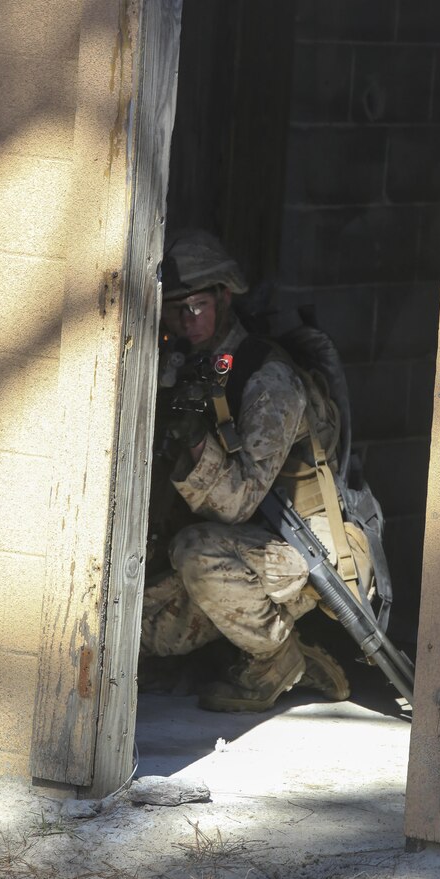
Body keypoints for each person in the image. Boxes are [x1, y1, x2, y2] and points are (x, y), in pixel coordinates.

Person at [140, 229, 371, 712]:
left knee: (195, 553)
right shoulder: (191, 365)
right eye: (175, 309)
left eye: (198, 306)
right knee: (138, 632)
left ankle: (274, 655)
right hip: (237, 547)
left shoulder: (268, 378)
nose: (186, 320)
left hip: (300, 552)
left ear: (225, 297)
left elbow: (238, 502)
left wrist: (195, 444)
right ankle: (295, 658)